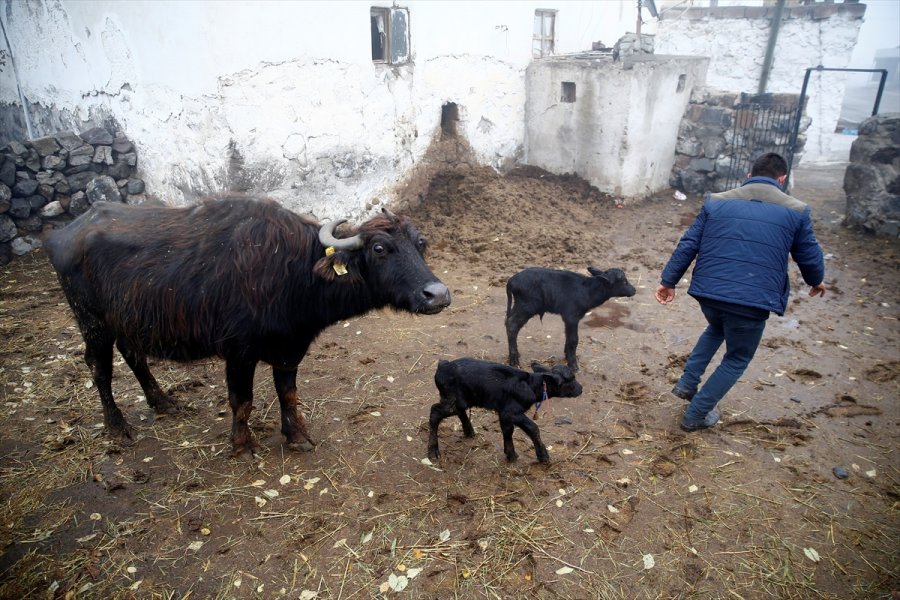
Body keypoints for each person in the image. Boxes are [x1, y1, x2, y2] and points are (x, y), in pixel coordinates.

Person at [655, 153, 826, 431]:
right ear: (781, 179)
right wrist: (816, 280)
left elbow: (688, 244)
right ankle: (696, 414)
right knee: (737, 358)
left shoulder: (716, 200)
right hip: (753, 301)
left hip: (709, 293)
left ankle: (687, 383)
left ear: (749, 175)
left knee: (717, 327)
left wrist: (668, 281)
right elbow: (808, 255)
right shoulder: (797, 210)